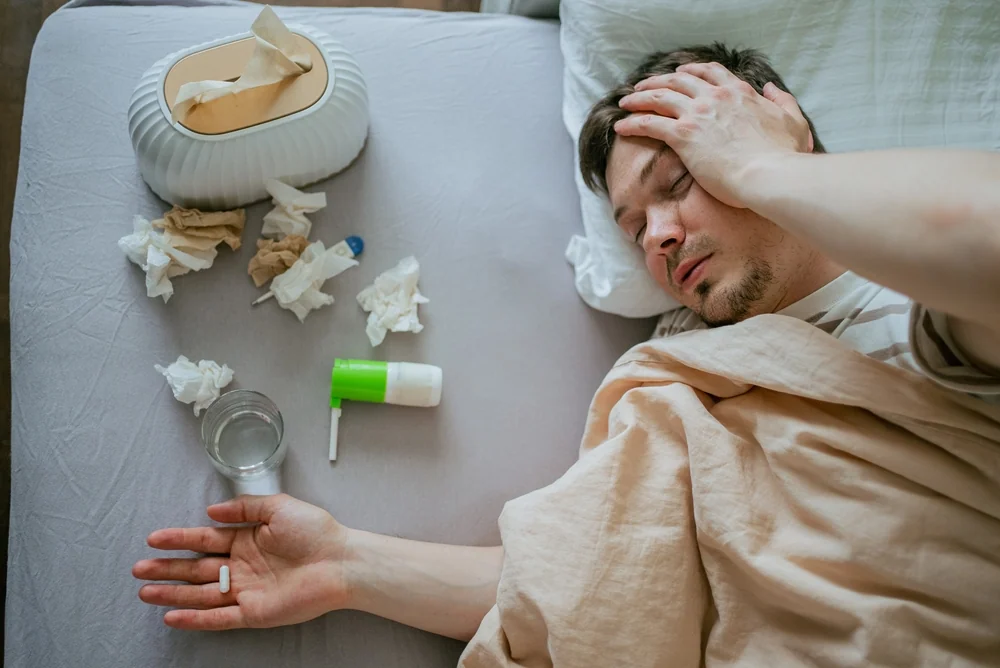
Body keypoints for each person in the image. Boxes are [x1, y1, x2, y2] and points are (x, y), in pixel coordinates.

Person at [132, 43, 1000, 637]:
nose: (659, 238)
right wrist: (344, 564)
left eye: (681, 181)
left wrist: (768, 167)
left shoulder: (916, 305)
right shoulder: (688, 377)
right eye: (634, 227)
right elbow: (593, 580)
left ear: (777, 127)